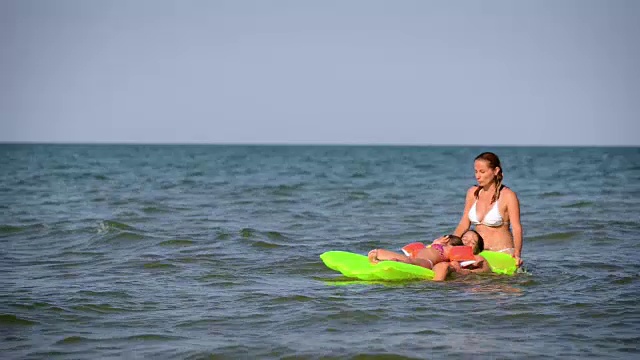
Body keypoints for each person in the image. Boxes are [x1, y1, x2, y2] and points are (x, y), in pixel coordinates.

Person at [453, 152, 523, 266]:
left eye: (482, 172)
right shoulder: (472, 193)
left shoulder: (508, 195)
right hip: (480, 253)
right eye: (476, 171)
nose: (477, 176)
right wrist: (452, 244)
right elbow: (464, 224)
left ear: (495, 171)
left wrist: (517, 254)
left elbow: (516, 228)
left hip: (502, 253)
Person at [367, 235, 486, 281]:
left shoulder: (453, 253)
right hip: (421, 257)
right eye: (465, 239)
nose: (467, 242)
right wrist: (436, 242)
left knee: (410, 261)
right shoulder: (440, 245)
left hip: (426, 261)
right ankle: (382, 255)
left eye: (473, 242)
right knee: (410, 260)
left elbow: (455, 264)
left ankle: (387, 258)